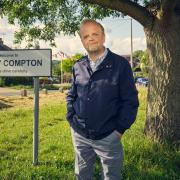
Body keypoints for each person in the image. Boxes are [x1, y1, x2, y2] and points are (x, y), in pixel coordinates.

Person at [66, 19, 139, 180]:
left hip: (109, 136)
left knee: (111, 176)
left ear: (104, 37)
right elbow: (71, 95)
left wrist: (119, 130)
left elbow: (130, 102)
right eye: (86, 36)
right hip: (80, 134)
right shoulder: (78, 66)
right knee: (82, 175)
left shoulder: (120, 65)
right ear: (82, 41)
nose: (90, 38)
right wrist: (71, 119)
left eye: (95, 34)